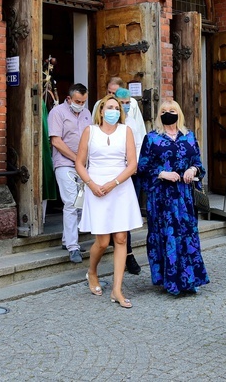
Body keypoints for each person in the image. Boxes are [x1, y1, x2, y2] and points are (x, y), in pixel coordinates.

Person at [76, 94, 143, 308]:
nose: (114, 110)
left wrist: (114, 183)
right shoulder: (90, 131)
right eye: (110, 107)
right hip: (95, 187)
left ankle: (117, 289)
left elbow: (132, 164)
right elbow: (79, 163)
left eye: (117, 107)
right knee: (103, 241)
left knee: (121, 238)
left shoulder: (126, 131)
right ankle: (92, 271)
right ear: (102, 110)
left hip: (120, 187)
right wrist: (91, 184)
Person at [137, 99, 209, 295]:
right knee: (165, 234)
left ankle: (189, 279)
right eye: (164, 110)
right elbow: (142, 168)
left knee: (187, 235)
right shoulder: (151, 138)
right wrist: (162, 173)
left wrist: (192, 169)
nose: (168, 113)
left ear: (179, 113)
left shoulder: (189, 137)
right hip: (161, 197)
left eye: (172, 110)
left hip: (184, 196)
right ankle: (169, 281)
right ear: (159, 115)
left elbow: (198, 164)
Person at [92, 78, 146, 275]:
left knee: (125, 217)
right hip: (107, 171)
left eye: (120, 99)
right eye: (112, 95)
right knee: (108, 221)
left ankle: (127, 255)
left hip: (130, 170)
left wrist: (139, 163)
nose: (117, 104)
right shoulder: (101, 106)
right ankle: (106, 258)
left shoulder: (133, 106)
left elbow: (140, 134)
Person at [48, 83, 92, 263]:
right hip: (65, 164)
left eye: (83, 101)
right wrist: (76, 158)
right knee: (71, 203)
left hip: (83, 165)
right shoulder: (57, 113)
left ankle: (67, 240)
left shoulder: (87, 114)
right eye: (77, 101)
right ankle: (73, 247)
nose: (80, 104)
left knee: (80, 204)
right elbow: (56, 141)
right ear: (69, 99)